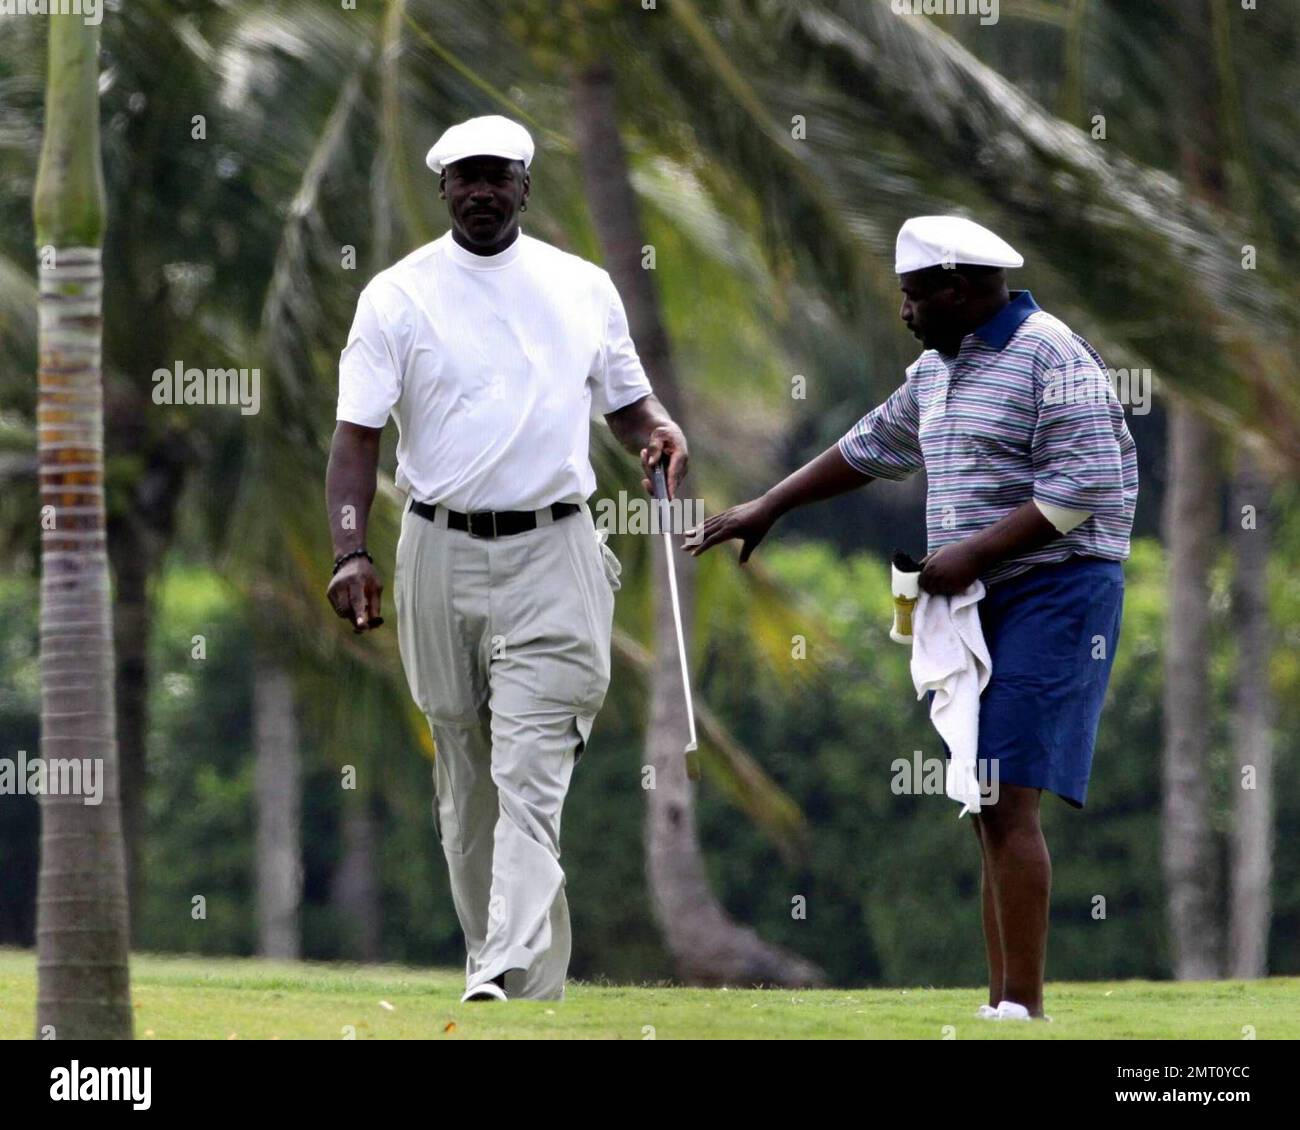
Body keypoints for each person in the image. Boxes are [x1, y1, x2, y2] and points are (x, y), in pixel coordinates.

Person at [689, 215, 1137, 1020]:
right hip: (975, 597)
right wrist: (770, 505)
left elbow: (1083, 488)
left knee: (1006, 791)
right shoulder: (940, 366)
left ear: (958, 290)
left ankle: (1023, 1009)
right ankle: (1004, 1004)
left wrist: (973, 553)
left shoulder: (1054, 355)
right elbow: (870, 444)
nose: (903, 311)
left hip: (1058, 590)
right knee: (981, 793)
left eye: (911, 296)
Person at [324, 115, 689, 1002]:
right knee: (462, 774)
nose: (482, 191)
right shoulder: (395, 296)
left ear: (527, 186)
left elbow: (631, 408)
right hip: (435, 548)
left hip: (555, 548)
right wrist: (348, 551)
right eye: (465, 178)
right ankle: (512, 975)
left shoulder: (583, 287)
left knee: (530, 771)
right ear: (441, 187)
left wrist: (660, 434)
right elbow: (355, 438)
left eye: (499, 177)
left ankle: (503, 969)